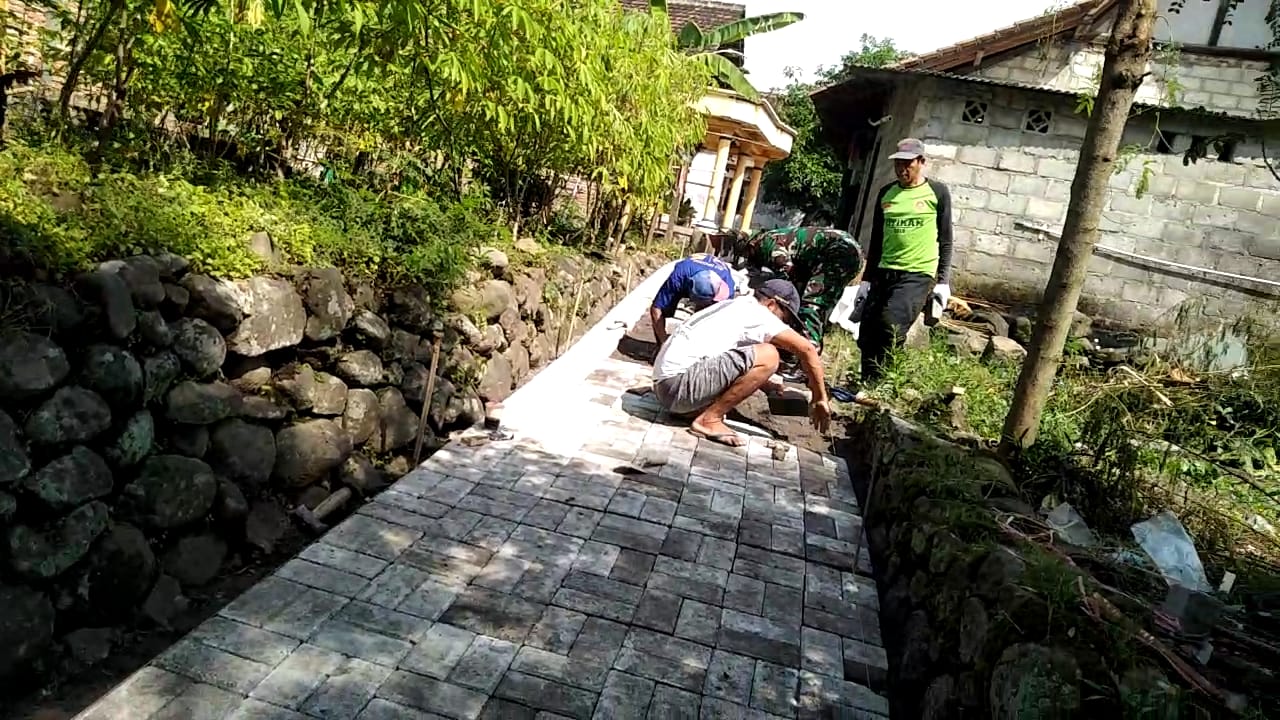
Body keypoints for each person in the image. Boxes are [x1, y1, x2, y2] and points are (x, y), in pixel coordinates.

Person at [651, 278, 831, 447]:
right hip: (678, 387)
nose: (784, 324)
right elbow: (807, 350)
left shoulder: (736, 305)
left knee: (760, 355)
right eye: (785, 318)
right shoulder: (759, 314)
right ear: (771, 304)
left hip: (665, 388)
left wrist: (767, 386)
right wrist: (819, 398)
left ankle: (693, 410)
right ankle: (709, 420)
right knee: (769, 355)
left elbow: (729, 358)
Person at [854, 137, 954, 382]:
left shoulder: (937, 192)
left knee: (891, 326)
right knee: (867, 330)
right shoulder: (886, 193)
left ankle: (885, 381)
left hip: (916, 273)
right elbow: (877, 239)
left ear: (921, 162)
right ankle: (868, 381)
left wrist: (943, 281)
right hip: (884, 270)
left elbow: (946, 239)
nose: (902, 169)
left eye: (907, 163)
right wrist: (866, 280)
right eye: (898, 163)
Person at [737, 226, 863, 352]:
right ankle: (808, 343)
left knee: (813, 302)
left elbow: (786, 279)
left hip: (839, 253)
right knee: (822, 304)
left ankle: (807, 347)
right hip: (849, 253)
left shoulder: (766, 243)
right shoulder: (773, 237)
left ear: (750, 245)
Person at [649, 252, 737, 348]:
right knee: (664, 309)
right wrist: (664, 343)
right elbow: (656, 309)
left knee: (707, 317)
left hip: (711, 276)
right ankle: (660, 346)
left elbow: (723, 324)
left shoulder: (727, 287)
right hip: (686, 275)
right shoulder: (678, 277)